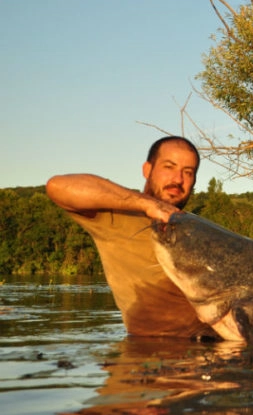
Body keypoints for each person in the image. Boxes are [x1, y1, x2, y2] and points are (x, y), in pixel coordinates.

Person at [46, 136, 216, 339]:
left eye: (188, 172)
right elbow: (57, 186)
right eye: (169, 167)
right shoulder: (116, 216)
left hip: (224, 349)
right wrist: (148, 205)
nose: (178, 179)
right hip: (152, 351)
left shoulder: (201, 231)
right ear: (147, 170)